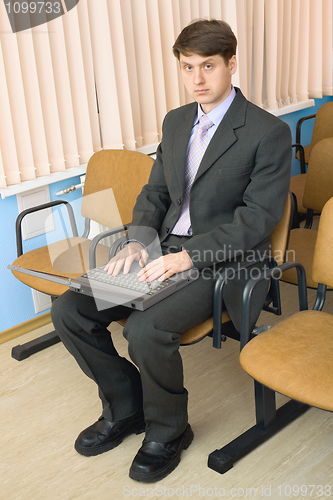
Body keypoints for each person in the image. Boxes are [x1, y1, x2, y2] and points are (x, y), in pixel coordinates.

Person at [51, 19, 291, 483]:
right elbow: (156, 192)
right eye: (187, 67)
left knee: (145, 329)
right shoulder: (177, 120)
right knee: (70, 311)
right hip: (161, 249)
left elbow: (258, 218)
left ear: (231, 65)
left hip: (223, 262)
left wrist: (189, 255)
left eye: (208, 66)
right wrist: (138, 241)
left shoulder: (268, 132)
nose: (198, 79)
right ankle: (126, 407)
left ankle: (169, 430)